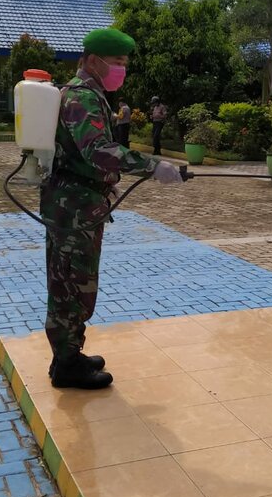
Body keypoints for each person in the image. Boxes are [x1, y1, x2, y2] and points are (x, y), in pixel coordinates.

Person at [40, 28, 183, 390]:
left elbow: (82, 154)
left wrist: (105, 179)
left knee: (71, 281)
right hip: (74, 207)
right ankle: (67, 363)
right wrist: (152, 166)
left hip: (77, 200)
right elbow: (98, 149)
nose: (122, 70)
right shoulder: (81, 96)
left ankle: (68, 354)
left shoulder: (88, 94)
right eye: (117, 63)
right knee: (73, 285)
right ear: (92, 61)